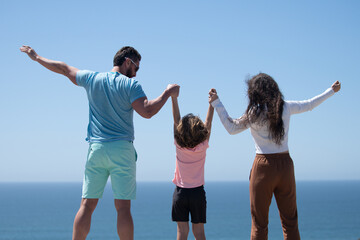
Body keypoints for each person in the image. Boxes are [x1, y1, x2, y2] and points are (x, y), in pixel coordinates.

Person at [20, 45, 180, 240]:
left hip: (96, 149)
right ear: (127, 62)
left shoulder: (92, 78)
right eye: (136, 68)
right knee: (123, 208)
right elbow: (147, 111)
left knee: (86, 206)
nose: (136, 74)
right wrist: (167, 93)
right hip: (122, 149)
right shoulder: (131, 86)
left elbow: (63, 68)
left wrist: (36, 57)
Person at [208, 73, 341, 240]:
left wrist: (216, 102)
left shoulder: (253, 113)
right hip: (285, 166)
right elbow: (309, 104)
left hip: (263, 167)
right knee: (290, 222)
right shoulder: (285, 107)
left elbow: (231, 128)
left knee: (259, 224)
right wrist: (331, 91)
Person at [170, 93, 214, 240]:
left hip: (180, 193)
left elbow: (176, 119)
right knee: (199, 233)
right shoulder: (202, 146)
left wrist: (173, 98)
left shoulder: (178, 145)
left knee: (182, 233)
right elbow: (208, 122)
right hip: (197, 193)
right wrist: (211, 104)